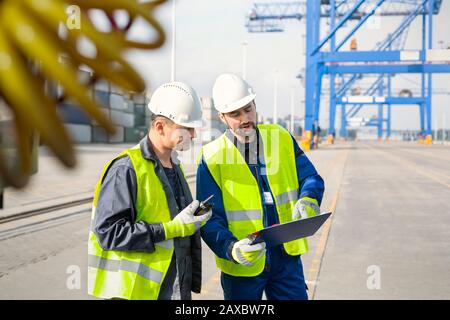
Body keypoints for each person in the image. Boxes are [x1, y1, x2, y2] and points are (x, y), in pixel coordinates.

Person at [196, 73, 325, 300]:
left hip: (285, 256)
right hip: (244, 261)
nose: (245, 118)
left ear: (255, 105)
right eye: (235, 114)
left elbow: (310, 177)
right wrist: (231, 249)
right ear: (222, 117)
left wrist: (309, 198)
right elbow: (208, 218)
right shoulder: (212, 157)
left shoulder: (281, 137)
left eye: (248, 109)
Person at [88, 82, 212, 300]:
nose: (193, 134)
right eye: (186, 128)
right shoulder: (126, 169)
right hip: (137, 293)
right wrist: (170, 229)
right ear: (160, 127)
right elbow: (108, 233)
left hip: (174, 286)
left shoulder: (174, 165)